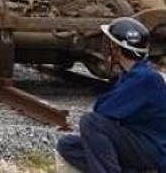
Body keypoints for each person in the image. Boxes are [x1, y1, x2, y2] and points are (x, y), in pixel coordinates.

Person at [57, 17, 166, 172]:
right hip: (138, 142)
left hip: (152, 150)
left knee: (91, 122)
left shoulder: (145, 78)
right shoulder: (131, 75)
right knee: (69, 145)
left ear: (119, 49)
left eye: (112, 45)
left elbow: (103, 110)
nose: (109, 49)